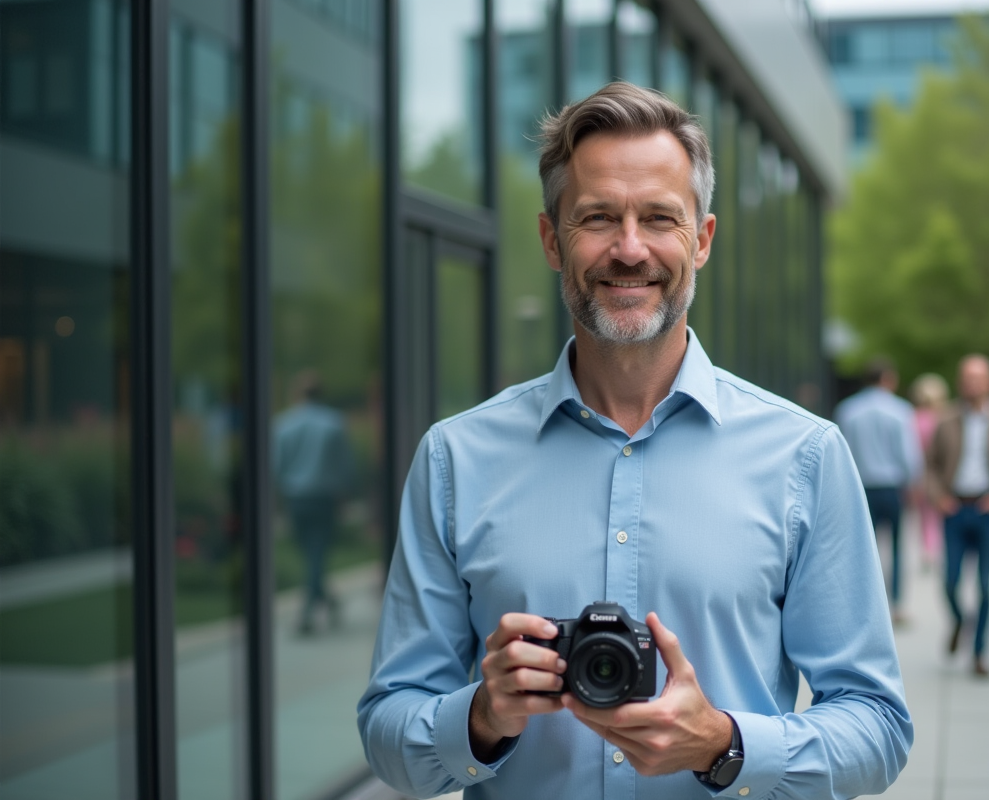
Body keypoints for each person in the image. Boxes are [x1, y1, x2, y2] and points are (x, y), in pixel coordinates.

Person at [357, 82, 912, 800]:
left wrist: (724, 743)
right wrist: (483, 716)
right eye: (597, 217)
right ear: (552, 240)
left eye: (659, 218)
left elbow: (878, 728)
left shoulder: (805, 456)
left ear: (702, 241)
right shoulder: (455, 460)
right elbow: (386, 730)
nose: (628, 249)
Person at [926, 355, 989, 678]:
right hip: (954, 508)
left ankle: (981, 652)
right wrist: (939, 497)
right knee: (950, 581)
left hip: (988, 509)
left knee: (985, 584)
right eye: (967, 377)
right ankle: (960, 620)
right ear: (960, 382)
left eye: (978, 377)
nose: (972, 383)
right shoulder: (945, 420)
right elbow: (930, 466)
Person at [835, 357, 923, 624]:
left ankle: (865, 606)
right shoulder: (901, 410)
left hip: (861, 487)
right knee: (896, 547)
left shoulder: (848, 410)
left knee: (863, 550)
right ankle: (895, 604)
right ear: (887, 378)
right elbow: (909, 454)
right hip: (892, 486)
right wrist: (914, 482)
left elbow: (843, 452)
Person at [272, 370, 356, 635]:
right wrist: (345, 494)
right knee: (316, 552)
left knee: (311, 553)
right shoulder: (333, 423)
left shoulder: (283, 425)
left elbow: (276, 466)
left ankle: (309, 611)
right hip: (324, 497)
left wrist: (278, 499)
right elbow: (343, 465)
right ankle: (325, 600)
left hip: (296, 498)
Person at [911, 373, 950, 570]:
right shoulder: (943, 418)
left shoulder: (914, 419)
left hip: (919, 473)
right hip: (939, 474)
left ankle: (928, 549)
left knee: (925, 516)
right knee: (939, 512)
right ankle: (937, 549)